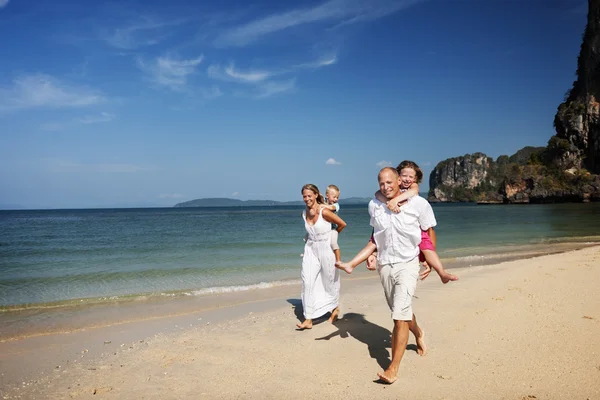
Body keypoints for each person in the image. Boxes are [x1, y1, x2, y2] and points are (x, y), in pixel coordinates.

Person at [336, 167, 432, 384]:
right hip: (385, 265)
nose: (386, 187)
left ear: (399, 181)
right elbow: (376, 237)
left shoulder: (419, 203)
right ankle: (418, 333)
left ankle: (393, 369)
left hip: (409, 264)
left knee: (399, 316)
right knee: (402, 311)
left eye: (390, 182)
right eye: (381, 183)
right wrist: (359, 260)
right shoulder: (374, 205)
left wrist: (430, 260)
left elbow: (428, 231)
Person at [372, 161, 458, 284]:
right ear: (397, 177)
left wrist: (395, 200)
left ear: (416, 179)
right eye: (404, 175)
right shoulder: (388, 190)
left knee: (427, 247)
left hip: (415, 230)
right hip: (394, 244)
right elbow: (377, 194)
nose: (407, 179)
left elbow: (413, 192)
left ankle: (442, 272)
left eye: (411, 177)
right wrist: (389, 202)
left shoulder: (414, 190)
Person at [297, 184, 347, 330]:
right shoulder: (305, 212)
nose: (307, 199)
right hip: (310, 249)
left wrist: (333, 235)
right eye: (304, 196)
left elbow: (342, 224)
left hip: (326, 249)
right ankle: (308, 318)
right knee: (308, 281)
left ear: (316, 194)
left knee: (329, 281)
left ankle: (334, 308)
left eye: (309, 196)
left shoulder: (324, 211)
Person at [321, 184, 342, 263]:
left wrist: (322, 206)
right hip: (325, 229)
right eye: (334, 197)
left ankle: (338, 260)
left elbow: (331, 208)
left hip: (333, 229)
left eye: (337, 197)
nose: (336, 199)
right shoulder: (323, 202)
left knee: (333, 243)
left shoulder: (336, 205)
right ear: (327, 195)